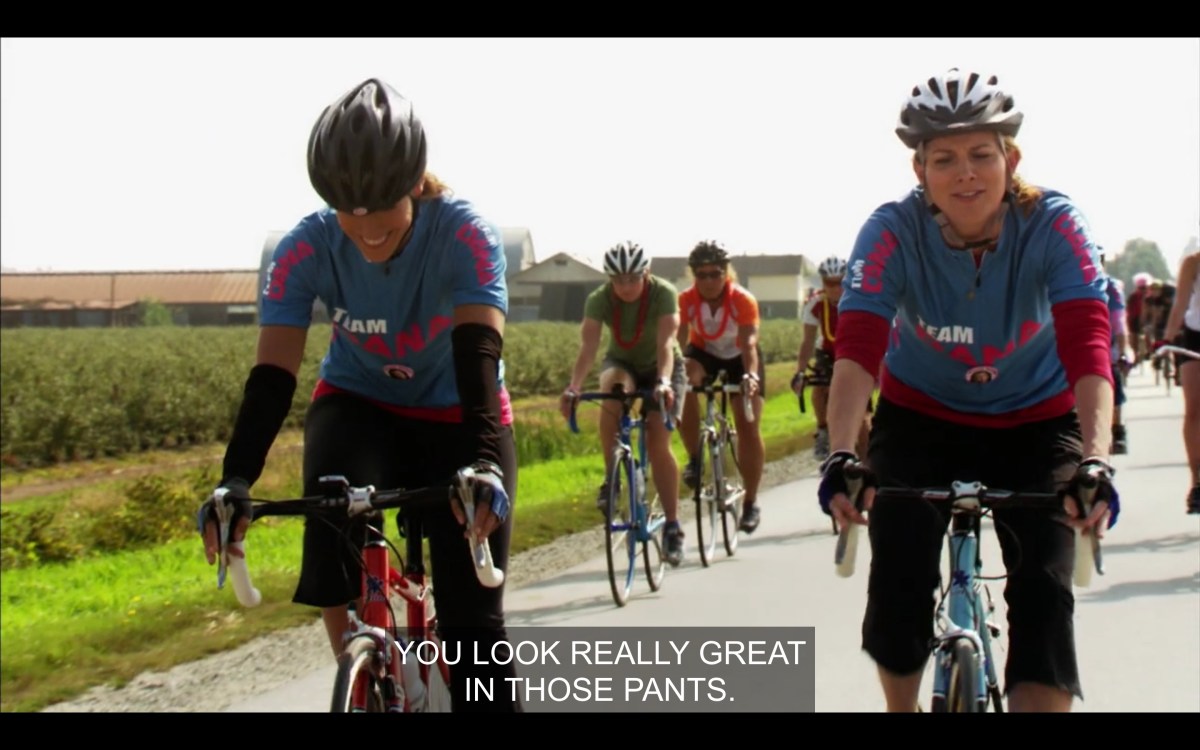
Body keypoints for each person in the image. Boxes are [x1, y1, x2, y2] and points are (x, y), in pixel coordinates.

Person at [195, 78, 521, 712]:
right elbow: (272, 378)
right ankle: (367, 675)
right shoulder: (305, 246)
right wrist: (235, 479)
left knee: (474, 629)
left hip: (459, 411)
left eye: (380, 205)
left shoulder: (464, 234)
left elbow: (480, 357)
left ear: (415, 183)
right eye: (347, 208)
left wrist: (483, 460)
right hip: (361, 405)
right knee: (330, 535)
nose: (365, 227)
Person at [817, 68, 1120, 713]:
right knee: (898, 575)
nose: (966, 174)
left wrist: (1095, 456)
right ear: (919, 168)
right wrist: (842, 451)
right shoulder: (891, 230)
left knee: (1043, 590)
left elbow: (1089, 346)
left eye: (982, 154)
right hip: (920, 416)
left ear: (1010, 158)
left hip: (1036, 422)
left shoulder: (1056, 225)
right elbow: (859, 349)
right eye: (945, 159)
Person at [559, 242, 688, 565]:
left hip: (664, 367)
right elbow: (588, 348)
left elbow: (665, 344)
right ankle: (612, 477)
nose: (626, 287)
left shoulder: (664, 293)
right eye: (618, 280)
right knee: (612, 392)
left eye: (632, 279)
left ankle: (672, 526)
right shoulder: (599, 299)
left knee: (659, 440)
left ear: (646, 274)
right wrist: (574, 387)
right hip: (624, 364)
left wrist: (662, 383)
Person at [676, 240, 765, 533]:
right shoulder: (686, 300)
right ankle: (694, 457)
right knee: (684, 380)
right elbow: (676, 345)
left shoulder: (742, 299)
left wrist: (750, 376)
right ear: (693, 276)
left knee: (748, 423)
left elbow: (749, 343)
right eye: (702, 275)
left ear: (726, 274)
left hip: (741, 357)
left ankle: (751, 503)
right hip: (706, 354)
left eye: (715, 274)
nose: (709, 281)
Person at [792, 256, 872, 460]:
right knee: (818, 384)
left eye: (840, 282)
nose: (835, 288)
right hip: (827, 352)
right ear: (822, 283)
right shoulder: (815, 304)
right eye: (830, 283)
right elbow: (807, 342)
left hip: (856, 351)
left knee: (863, 419)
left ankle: (866, 464)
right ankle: (823, 429)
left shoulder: (860, 299)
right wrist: (800, 372)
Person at [1157, 248, 1200, 513]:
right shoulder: (1193, 262)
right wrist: (1166, 339)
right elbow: (1179, 306)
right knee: (1195, 409)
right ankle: (1198, 483)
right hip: (1195, 337)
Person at [1100, 249, 1132, 454]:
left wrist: (1123, 351)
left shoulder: (1110, 287)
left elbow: (1119, 323)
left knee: (1114, 384)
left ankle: (1118, 429)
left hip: (1106, 346)